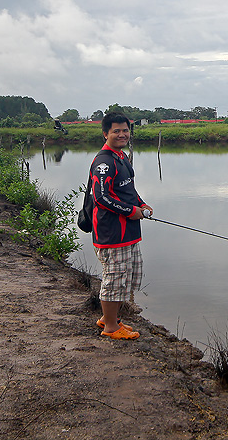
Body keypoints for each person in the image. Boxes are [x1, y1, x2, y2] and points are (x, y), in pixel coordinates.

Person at [88, 112, 153, 340]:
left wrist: (142, 204)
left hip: (129, 231)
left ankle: (110, 319)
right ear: (105, 133)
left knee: (128, 277)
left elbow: (127, 190)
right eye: (116, 131)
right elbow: (101, 198)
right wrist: (131, 211)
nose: (122, 134)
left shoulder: (122, 157)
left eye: (125, 130)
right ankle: (110, 328)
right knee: (114, 278)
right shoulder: (104, 162)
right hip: (112, 232)